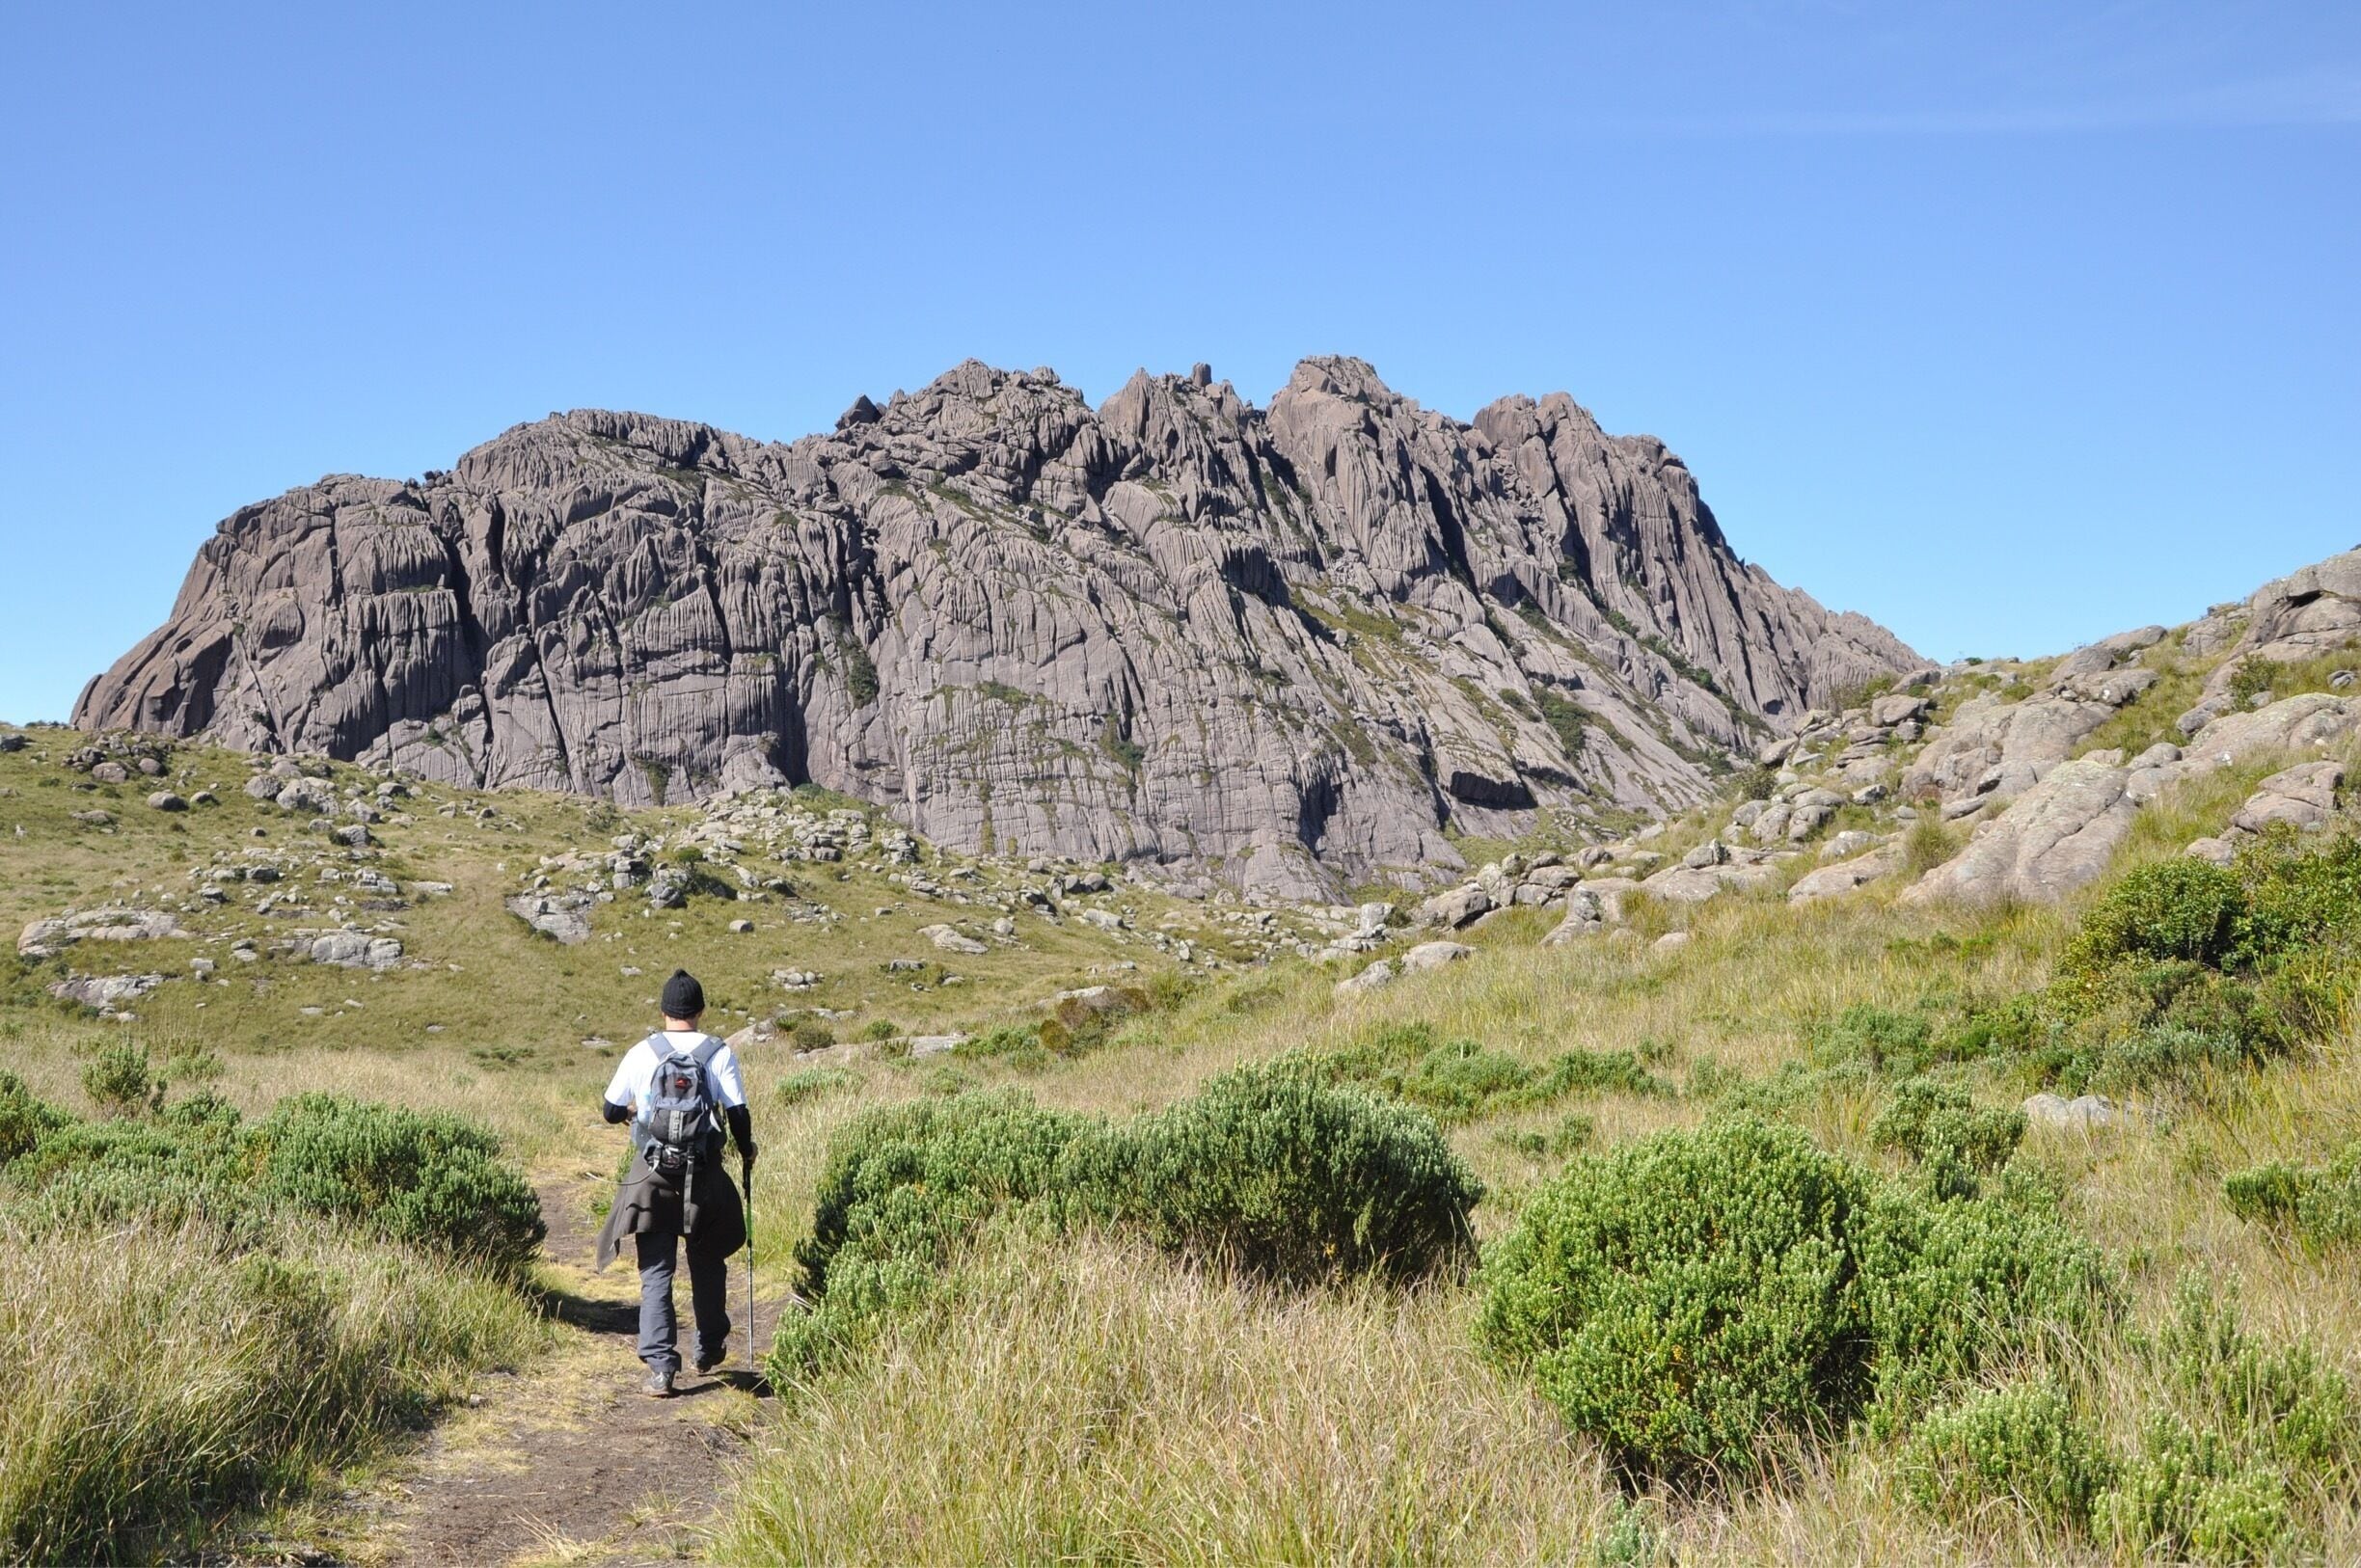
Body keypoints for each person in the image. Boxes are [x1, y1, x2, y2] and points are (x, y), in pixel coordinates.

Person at [593, 969, 757, 1397]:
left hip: (650, 1178)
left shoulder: (642, 1052)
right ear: (700, 1010)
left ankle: (661, 1369)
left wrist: (635, 1113)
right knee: (708, 1261)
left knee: (656, 1272)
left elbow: (610, 1110)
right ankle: (709, 1347)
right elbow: (737, 1114)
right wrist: (747, 1151)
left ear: (663, 1011)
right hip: (703, 1178)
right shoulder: (718, 1053)